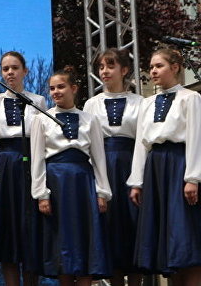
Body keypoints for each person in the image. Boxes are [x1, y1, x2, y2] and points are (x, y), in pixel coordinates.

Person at [30, 67, 111, 284]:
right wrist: (41, 194)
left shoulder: (90, 119)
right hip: (56, 184)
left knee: (85, 241)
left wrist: (102, 192)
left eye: (61, 87)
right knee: (61, 243)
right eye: (52, 88)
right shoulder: (41, 119)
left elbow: (98, 158)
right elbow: (37, 159)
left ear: (73, 88)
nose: (55, 92)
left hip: (83, 183)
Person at [128, 48, 201, 284]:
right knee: (164, 242)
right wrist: (137, 182)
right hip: (156, 169)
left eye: (159, 66)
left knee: (184, 236)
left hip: (180, 165)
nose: (153, 71)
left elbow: (196, 137)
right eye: (151, 67)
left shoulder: (190, 98)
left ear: (175, 67)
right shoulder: (147, 103)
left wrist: (192, 178)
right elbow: (142, 143)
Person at [0, 51, 47, 285]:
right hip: (2, 168)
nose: (10, 72)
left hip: (30, 166)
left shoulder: (38, 101)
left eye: (15, 68)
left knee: (29, 232)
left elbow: (42, 138)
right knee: (7, 232)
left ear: (25, 71)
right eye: (5, 68)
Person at [83, 48, 143, 286]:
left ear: (124, 69)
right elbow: (87, 144)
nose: (104, 71)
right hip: (102, 167)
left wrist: (139, 177)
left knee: (133, 228)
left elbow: (143, 140)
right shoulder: (91, 104)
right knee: (109, 230)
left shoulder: (141, 102)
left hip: (131, 165)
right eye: (100, 67)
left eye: (110, 66)